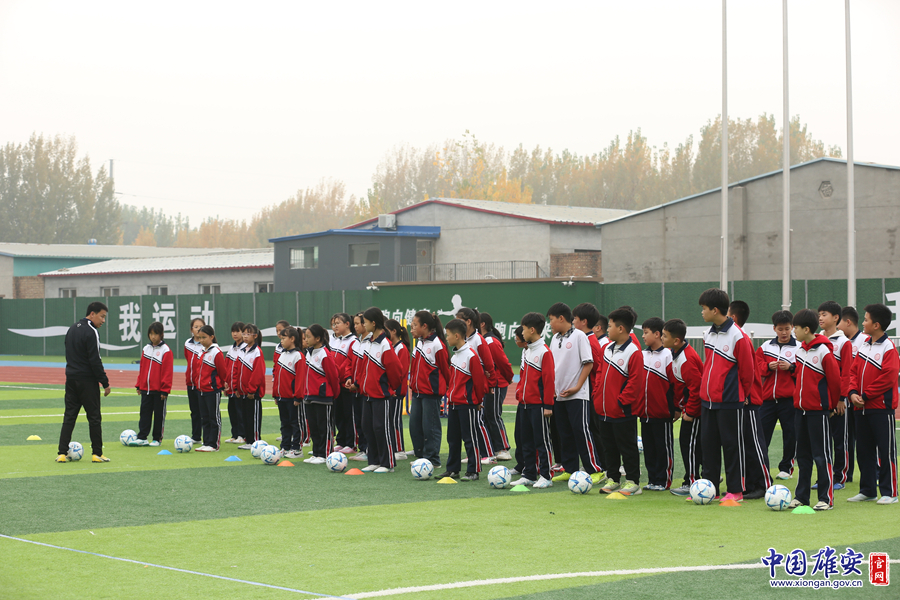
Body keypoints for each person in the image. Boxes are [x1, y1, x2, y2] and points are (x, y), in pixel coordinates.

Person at [699, 288, 754, 502]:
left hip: (730, 401)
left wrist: (742, 394)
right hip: (707, 401)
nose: (702, 312)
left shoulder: (738, 336)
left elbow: (748, 371)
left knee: (732, 446)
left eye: (704, 308)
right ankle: (709, 489)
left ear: (715, 310)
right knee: (708, 446)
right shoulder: (708, 334)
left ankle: (736, 490)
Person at [787, 309, 841, 511]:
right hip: (800, 411)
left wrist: (831, 406)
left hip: (818, 412)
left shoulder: (824, 351)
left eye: (796, 328)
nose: (793, 331)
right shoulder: (800, 351)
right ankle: (801, 497)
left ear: (807, 329)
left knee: (822, 455)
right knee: (802, 456)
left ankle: (826, 498)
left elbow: (835, 382)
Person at [847, 303, 899, 504]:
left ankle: (889, 492)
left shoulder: (889, 347)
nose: (863, 323)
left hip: (880, 408)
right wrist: (852, 393)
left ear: (876, 325)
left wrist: (865, 395)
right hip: (860, 408)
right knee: (864, 451)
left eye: (866, 319)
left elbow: (888, 377)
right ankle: (868, 490)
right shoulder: (864, 345)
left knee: (886, 451)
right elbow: (853, 371)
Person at [547, 302, 603, 484]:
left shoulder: (579, 336)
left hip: (578, 395)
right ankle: (570, 468)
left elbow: (589, 363)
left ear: (561, 318)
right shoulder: (555, 338)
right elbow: (553, 366)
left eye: (551, 320)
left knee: (582, 431)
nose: (550, 324)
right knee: (564, 433)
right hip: (559, 395)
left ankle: (595, 469)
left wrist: (578, 386)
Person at [595, 308, 644, 495]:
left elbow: (635, 382)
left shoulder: (634, 352)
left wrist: (621, 402)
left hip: (623, 411)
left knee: (627, 447)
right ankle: (613, 479)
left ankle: (633, 482)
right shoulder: (606, 349)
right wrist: (597, 395)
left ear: (621, 328)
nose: (607, 329)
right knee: (609, 447)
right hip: (604, 409)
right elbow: (599, 373)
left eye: (610, 326)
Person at [56, 302, 112, 463]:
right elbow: (95, 360)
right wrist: (105, 382)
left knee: (69, 416)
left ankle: (61, 453)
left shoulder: (72, 328)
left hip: (71, 380)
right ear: (92, 314)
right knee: (94, 418)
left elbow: (68, 353)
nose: (103, 320)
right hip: (87, 381)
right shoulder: (91, 331)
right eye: (102, 316)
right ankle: (97, 453)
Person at [728, 300, 771, 500]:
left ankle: (763, 485)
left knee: (754, 444)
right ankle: (747, 485)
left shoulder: (741, 338)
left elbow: (748, 372)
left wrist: (746, 395)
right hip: (737, 399)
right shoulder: (732, 337)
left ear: (733, 317)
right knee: (741, 445)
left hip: (749, 400)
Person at [437, 318, 488, 481]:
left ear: (457, 336)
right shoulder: (455, 356)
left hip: (468, 405)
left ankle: (473, 470)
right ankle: (453, 469)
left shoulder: (471, 355)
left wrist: (478, 401)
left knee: (470, 438)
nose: (446, 338)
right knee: (452, 439)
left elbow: (479, 382)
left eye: (448, 335)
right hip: (454, 404)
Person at [509, 312, 555, 488]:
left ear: (532, 330)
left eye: (524, 329)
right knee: (525, 441)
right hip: (524, 404)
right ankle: (529, 474)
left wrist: (548, 405)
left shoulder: (544, 352)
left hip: (538, 406)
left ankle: (546, 476)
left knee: (541, 442)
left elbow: (549, 381)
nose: (522, 332)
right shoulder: (527, 351)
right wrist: (520, 395)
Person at [359, 307, 403, 473]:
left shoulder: (385, 344)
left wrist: (389, 388)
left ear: (373, 323)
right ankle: (374, 461)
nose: (363, 325)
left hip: (381, 395)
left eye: (365, 322)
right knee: (368, 427)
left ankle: (387, 463)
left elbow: (396, 371)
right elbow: (364, 368)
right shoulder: (369, 342)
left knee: (381, 428)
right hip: (367, 394)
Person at [662, 318, 703, 496]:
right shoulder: (676, 353)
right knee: (694, 444)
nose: (662, 338)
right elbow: (680, 386)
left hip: (696, 412)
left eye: (665, 336)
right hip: (689, 409)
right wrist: (678, 408)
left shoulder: (687, 359)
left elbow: (696, 387)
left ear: (676, 340)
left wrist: (690, 412)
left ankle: (691, 482)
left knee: (689, 445)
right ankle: (705, 476)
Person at [756, 310, 798, 482]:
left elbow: (804, 370)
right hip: (767, 400)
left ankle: (786, 468)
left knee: (790, 435)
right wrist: (767, 366)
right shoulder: (766, 347)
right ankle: (761, 467)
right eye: (780, 329)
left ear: (792, 327)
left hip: (789, 400)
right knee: (761, 434)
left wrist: (791, 367)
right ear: (774, 328)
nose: (784, 333)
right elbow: (756, 366)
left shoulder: (799, 347)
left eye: (787, 328)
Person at [817, 301, 854, 489]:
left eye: (824, 314)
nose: (820, 318)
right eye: (819, 315)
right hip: (820, 401)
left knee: (840, 441)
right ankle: (823, 478)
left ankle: (840, 477)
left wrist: (841, 399)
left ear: (836, 318)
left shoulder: (843, 343)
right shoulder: (816, 339)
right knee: (822, 441)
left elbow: (847, 373)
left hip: (838, 401)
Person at [455, 307, 496, 465]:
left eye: (459, 320)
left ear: (468, 322)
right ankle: (474, 453)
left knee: (478, 421)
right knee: (468, 424)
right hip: (466, 387)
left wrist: (490, 384)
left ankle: (488, 454)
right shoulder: (463, 339)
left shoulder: (478, 340)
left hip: (478, 386)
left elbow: (489, 363)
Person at [408, 311, 449, 468]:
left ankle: (433, 459)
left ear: (424, 326)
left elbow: (445, 369)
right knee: (415, 426)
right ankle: (421, 456)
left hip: (431, 393)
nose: (412, 327)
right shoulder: (419, 342)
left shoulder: (437, 344)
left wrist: (448, 388)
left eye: (415, 325)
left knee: (430, 427)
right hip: (417, 392)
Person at [639, 317, 675, 491]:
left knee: (663, 448)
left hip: (662, 413)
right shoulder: (642, 355)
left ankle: (663, 481)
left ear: (657, 334)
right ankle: (652, 479)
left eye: (646, 333)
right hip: (644, 413)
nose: (643, 336)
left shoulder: (668, 355)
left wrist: (675, 408)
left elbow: (674, 384)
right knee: (649, 449)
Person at [573, 302, 605, 474]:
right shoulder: (586, 339)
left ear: (584, 322)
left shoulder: (590, 341)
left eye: (575, 319)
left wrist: (595, 391)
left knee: (593, 429)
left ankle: (601, 464)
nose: (573, 322)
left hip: (591, 392)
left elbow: (598, 369)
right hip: (588, 391)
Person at [302, 324, 340, 464]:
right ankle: (316, 452)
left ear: (318, 338)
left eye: (308, 337)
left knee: (324, 427)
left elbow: (333, 377)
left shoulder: (325, 354)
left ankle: (325, 454)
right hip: (309, 397)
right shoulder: (308, 352)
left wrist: (333, 394)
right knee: (314, 427)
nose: (306, 339)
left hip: (323, 397)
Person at [479, 312, 514, 462]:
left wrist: (509, 377)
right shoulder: (484, 340)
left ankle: (503, 449)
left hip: (497, 383)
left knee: (493, 415)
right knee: (486, 416)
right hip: (490, 383)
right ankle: (492, 448)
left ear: (482, 324)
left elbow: (503, 362)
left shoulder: (491, 341)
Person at [133, 321, 173, 447]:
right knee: (144, 413)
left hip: (159, 391)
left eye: (155, 334)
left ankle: (157, 438)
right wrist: (139, 384)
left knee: (159, 415)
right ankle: (142, 437)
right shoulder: (146, 349)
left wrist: (165, 389)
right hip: (146, 389)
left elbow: (167, 372)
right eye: (151, 334)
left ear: (161, 334)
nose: (153, 337)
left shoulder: (166, 351)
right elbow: (142, 368)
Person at [837, 305, 863, 483]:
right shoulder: (840, 342)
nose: (837, 327)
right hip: (846, 398)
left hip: (862, 398)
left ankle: (875, 474)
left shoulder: (866, 341)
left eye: (838, 322)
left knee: (865, 438)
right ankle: (847, 474)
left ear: (847, 322)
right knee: (846, 437)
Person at [274, 326, 306, 458]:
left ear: (292, 339)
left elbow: (300, 378)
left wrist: (298, 396)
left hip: (293, 398)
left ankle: (297, 448)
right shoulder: (282, 355)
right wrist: (276, 394)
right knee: (284, 424)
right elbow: (277, 375)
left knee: (295, 423)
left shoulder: (298, 356)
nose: (281, 341)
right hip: (282, 397)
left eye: (284, 338)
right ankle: (285, 447)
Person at [194, 325, 227, 452]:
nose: (201, 340)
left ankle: (214, 444)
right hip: (201, 390)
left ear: (212, 337)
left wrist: (223, 384)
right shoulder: (201, 351)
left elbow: (222, 371)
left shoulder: (216, 352)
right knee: (205, 417)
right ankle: (206, 442)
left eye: (204, 337)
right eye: (199, 338)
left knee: (214, 418)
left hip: (212, 390)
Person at [330, 313, 358, 455]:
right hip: (335, 384)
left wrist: (343, 376)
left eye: (338, 323)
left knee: (349, 414)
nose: (334, 326)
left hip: (345, 384)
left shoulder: (353, 341)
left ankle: (351, 443)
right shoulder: (333, 340)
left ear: (347, 324)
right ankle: (341, 441)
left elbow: (349, 362)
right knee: (338, 414)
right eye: (333, 324)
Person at [385, 319, 412, 461]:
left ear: (394, 331)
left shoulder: (401, 348)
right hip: (390, 390)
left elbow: (401, 372)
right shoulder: (391, 346)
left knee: (395, 420)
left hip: (397, 391)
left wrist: (395, 388)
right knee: (389, 420)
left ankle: (400, 450)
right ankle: (393, 447)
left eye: (386, 330)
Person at [344, 312, 370, 461]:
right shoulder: (356, 343)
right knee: (358, 420)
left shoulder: (370, 344)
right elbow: (348, 362)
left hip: (363, 389)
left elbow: (366, 369)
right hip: (354, 388)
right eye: (354, 324)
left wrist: (357, 383)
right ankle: (362, 448)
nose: (355, 326)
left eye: (358, 323)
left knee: (366, 422)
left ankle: (368, 449)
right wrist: (348, 378)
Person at [236, 323, 266, 450]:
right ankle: (248, 441)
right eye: (244, 334)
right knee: (246, 417)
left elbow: (258, 373)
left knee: (253, 417)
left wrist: (252, 390)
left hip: (252, 393)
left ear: (255, 336)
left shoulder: (257, 352)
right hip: (243, 392)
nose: (245, 336)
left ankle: (255, 441)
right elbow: (237, 370)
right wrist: (236, 387)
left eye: (248, 334)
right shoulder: (242, 350)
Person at [223, 321, 246, 445]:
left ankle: (242, 435)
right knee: (232, 411)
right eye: (233, 331)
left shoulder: (245, 349)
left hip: (238, 388)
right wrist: (225, 383)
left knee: (240, 412)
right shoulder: (231, 349)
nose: (235, 334)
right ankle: (235, 434)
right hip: (230, 387)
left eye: (238, 331)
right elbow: (226, 367)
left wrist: (237, 386)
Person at [184, 317, 205, 444]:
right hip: (190, 382)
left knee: (204, 412)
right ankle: (196, 436)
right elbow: (188, 359)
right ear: (191, 329)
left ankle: (207, 437)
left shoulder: (206, 345)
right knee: (194, 411)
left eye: (200, 327)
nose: (198, 329)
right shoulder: (188, 343)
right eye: (195, 327)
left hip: (201, 384)